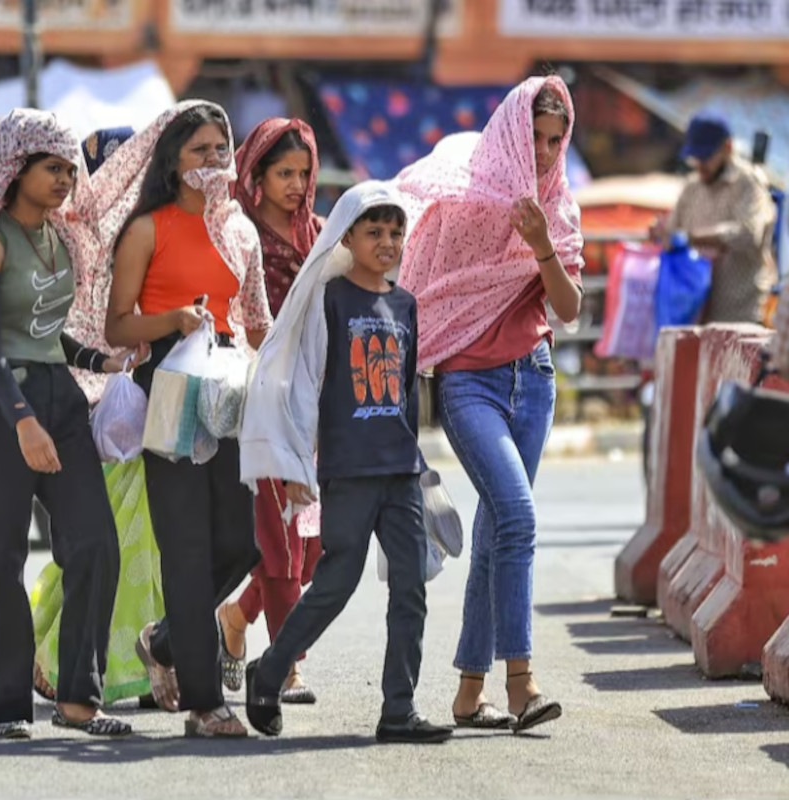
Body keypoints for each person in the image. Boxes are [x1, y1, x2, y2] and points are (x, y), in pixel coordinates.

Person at [396, 76, 584, 733]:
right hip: (467, 383)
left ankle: (469, 693)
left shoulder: (559, 204)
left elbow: (568, 309)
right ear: (510, 129)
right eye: (534, 136)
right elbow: (426, 280)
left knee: (498, 530)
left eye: (556, 140)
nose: (542, 150)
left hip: (533, 378)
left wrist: (540, 244)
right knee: (518, 516)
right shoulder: (465, 191)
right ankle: (523, 682)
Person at [0, 108, 134, 740]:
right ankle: (0, 708)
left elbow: (50, 335)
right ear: (16, 167)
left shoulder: (60, 236)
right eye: (52, 168)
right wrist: (22, 421)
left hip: (60, 398)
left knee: (96, 545)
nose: (64, 180)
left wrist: (99, 359)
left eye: (69, 170)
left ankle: (79, 698)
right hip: (4, 407)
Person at [240, 181, 451, 744]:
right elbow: (304, 382)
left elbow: (407, 396)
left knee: (411, 587)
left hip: (401, 473)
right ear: (348, 237)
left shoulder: (405, 304)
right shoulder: (328, 300)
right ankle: (269, 670)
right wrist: (295, 466)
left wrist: (420, 464)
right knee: (336, 580)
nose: (387, 242)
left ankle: (398, 711)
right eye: (374, 232)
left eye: (396, 232)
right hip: (348, 473)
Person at [91, 100, 274, 737]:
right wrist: (172, 321)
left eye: (221, 150)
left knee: (244, 542)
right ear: (172, 162)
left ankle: (164, 639)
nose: (213, 162)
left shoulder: (242, 231)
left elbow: (257, 320)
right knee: (187, 547)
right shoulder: (148, 229)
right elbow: (116, 326)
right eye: (199, 151)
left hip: (228, 390)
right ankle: (205, 704)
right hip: (167, 385)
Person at [30, 126, 167, 707]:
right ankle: (62, 658)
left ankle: (132, 663)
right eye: (109, 174)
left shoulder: (150, 231)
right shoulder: (67, 232)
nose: (119, 187)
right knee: (95, 542)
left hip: (134, 401)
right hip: (77, 404)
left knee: (142, 538)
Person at [218, 117, 325, 703]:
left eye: (303, 173)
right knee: (281, 542)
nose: (294, 184)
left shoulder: (322, 235)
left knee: (316, 548)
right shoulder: (239, 234)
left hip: (316, 404)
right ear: (255, 175)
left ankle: (236, 619)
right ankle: (285, 665)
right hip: (263, 401)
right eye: (283, 172)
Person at [652, 112, 777, 325]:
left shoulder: (749, 184)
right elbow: (672, 233)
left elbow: (748, 233)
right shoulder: (692, 187)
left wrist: (695, 237)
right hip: (694, 314)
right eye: (695, 158)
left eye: (706, 156)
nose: (700, 164)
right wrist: (661, 234)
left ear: (727, 148)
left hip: (738, 315)